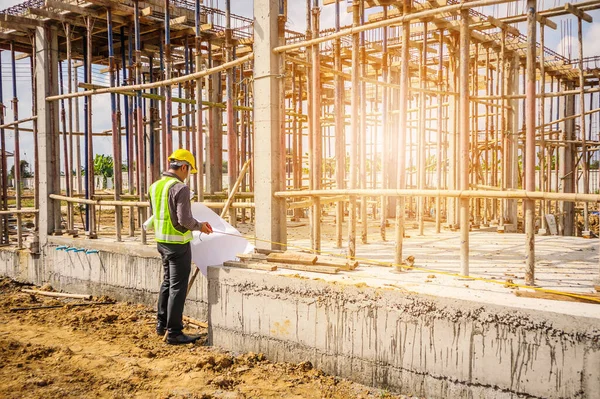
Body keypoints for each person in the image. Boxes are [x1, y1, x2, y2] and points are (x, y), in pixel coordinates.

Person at [148, 149, 213, 344]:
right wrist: (199, 226)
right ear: (183, 167)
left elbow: (158, 214)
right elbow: (184, 219)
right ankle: (174, 332)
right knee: (177, 287)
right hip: (178, 244)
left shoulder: (155, 186)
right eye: (189, 171)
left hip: (161, 242)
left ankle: (162, 324)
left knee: (167, 282)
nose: (188, 175)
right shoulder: (180, 188)